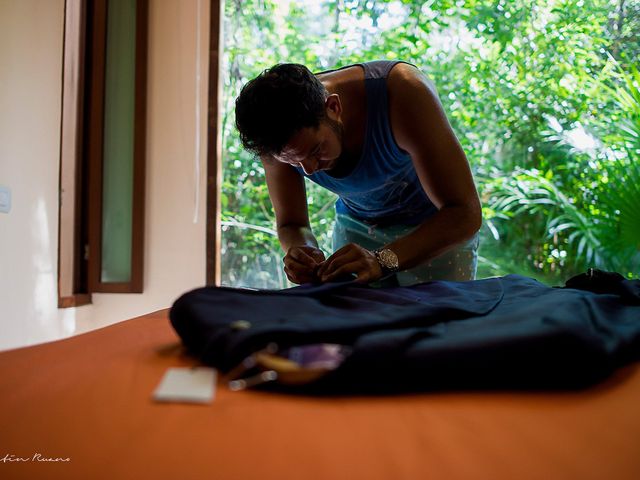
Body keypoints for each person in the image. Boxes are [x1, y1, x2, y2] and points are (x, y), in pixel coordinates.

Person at [234, 60, 482, 286]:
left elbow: (464, 213)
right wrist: (303, 251)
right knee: (355, 329)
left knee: (438, 330)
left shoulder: (403, 93)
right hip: (357, 229)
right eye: (293, 163)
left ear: (333, 107)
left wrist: (383, 260)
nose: (309, 169)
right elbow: (292, 223)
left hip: (435, 231)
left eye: (317, 150)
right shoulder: (272, 136)